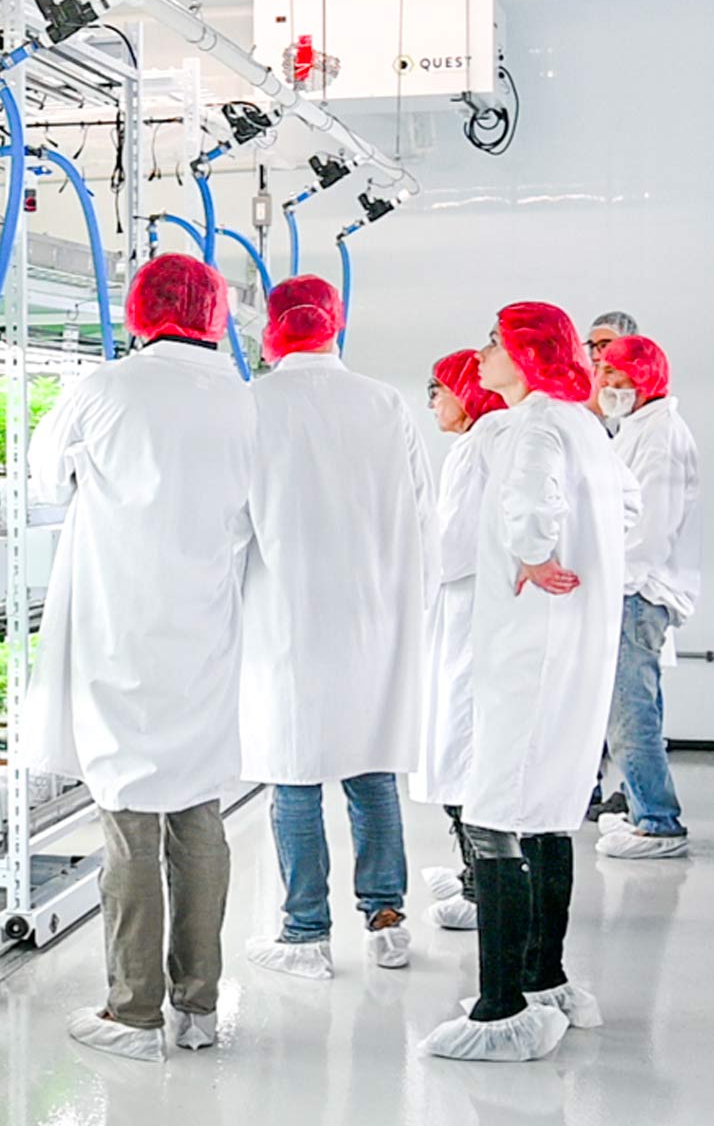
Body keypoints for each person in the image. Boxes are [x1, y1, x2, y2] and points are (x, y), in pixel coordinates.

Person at [24, 254, 255, 1062]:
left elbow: (43, 480)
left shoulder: (106, 386)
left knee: (130, 823)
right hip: (207, 631)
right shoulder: (241, 398)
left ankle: (134, 1014)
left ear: (139, 310)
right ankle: (197, 1006)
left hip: (123, 626)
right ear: (214, 313)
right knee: (199, 814)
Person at [423, 302, 639, 1063]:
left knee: (493, 812)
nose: (481, 357)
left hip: (529, 641)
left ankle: (500, 1007)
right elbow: (630, 509)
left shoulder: (527, 427)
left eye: (494, 342)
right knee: (549, 810)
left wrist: (531, 551)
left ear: (525, 352)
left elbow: (526, 507)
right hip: (576, 642)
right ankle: (546, 977)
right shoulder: (584, 422)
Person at [239, 274, 438, 980]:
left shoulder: (254, 403)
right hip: (374, 615)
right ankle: (386, 920)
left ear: (273, 330)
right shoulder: (385, 403)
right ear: (335, 324)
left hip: (284, 614)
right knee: (369, 765)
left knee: (292, 774)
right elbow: (422, 512)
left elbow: (232, 521)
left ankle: (305, 934)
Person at [592, 335, 701, 859]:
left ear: (646, 378)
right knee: (639, 706)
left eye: (617, 375)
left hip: (636, 591)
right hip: (633, 587)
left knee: (628, 710)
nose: (607, 384)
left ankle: (659, 823)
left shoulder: (659, 435)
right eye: (604, 374)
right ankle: (643, 812)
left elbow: (651, 530)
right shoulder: (637, 429)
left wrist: (609, 585)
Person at [412, 350, 509, 932]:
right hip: (466, 616)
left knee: (464, 749)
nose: (431, 403)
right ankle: (469, 867)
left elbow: (451, 548)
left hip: (472, 618)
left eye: (437, 389)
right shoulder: (476, 444)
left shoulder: (477, 449)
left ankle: (479, 885)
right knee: (456, 746)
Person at [586, 310, 640, 434]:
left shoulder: (641, 395)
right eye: (592, 346)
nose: (595, 354)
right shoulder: (588, 393)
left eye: (604, 345)